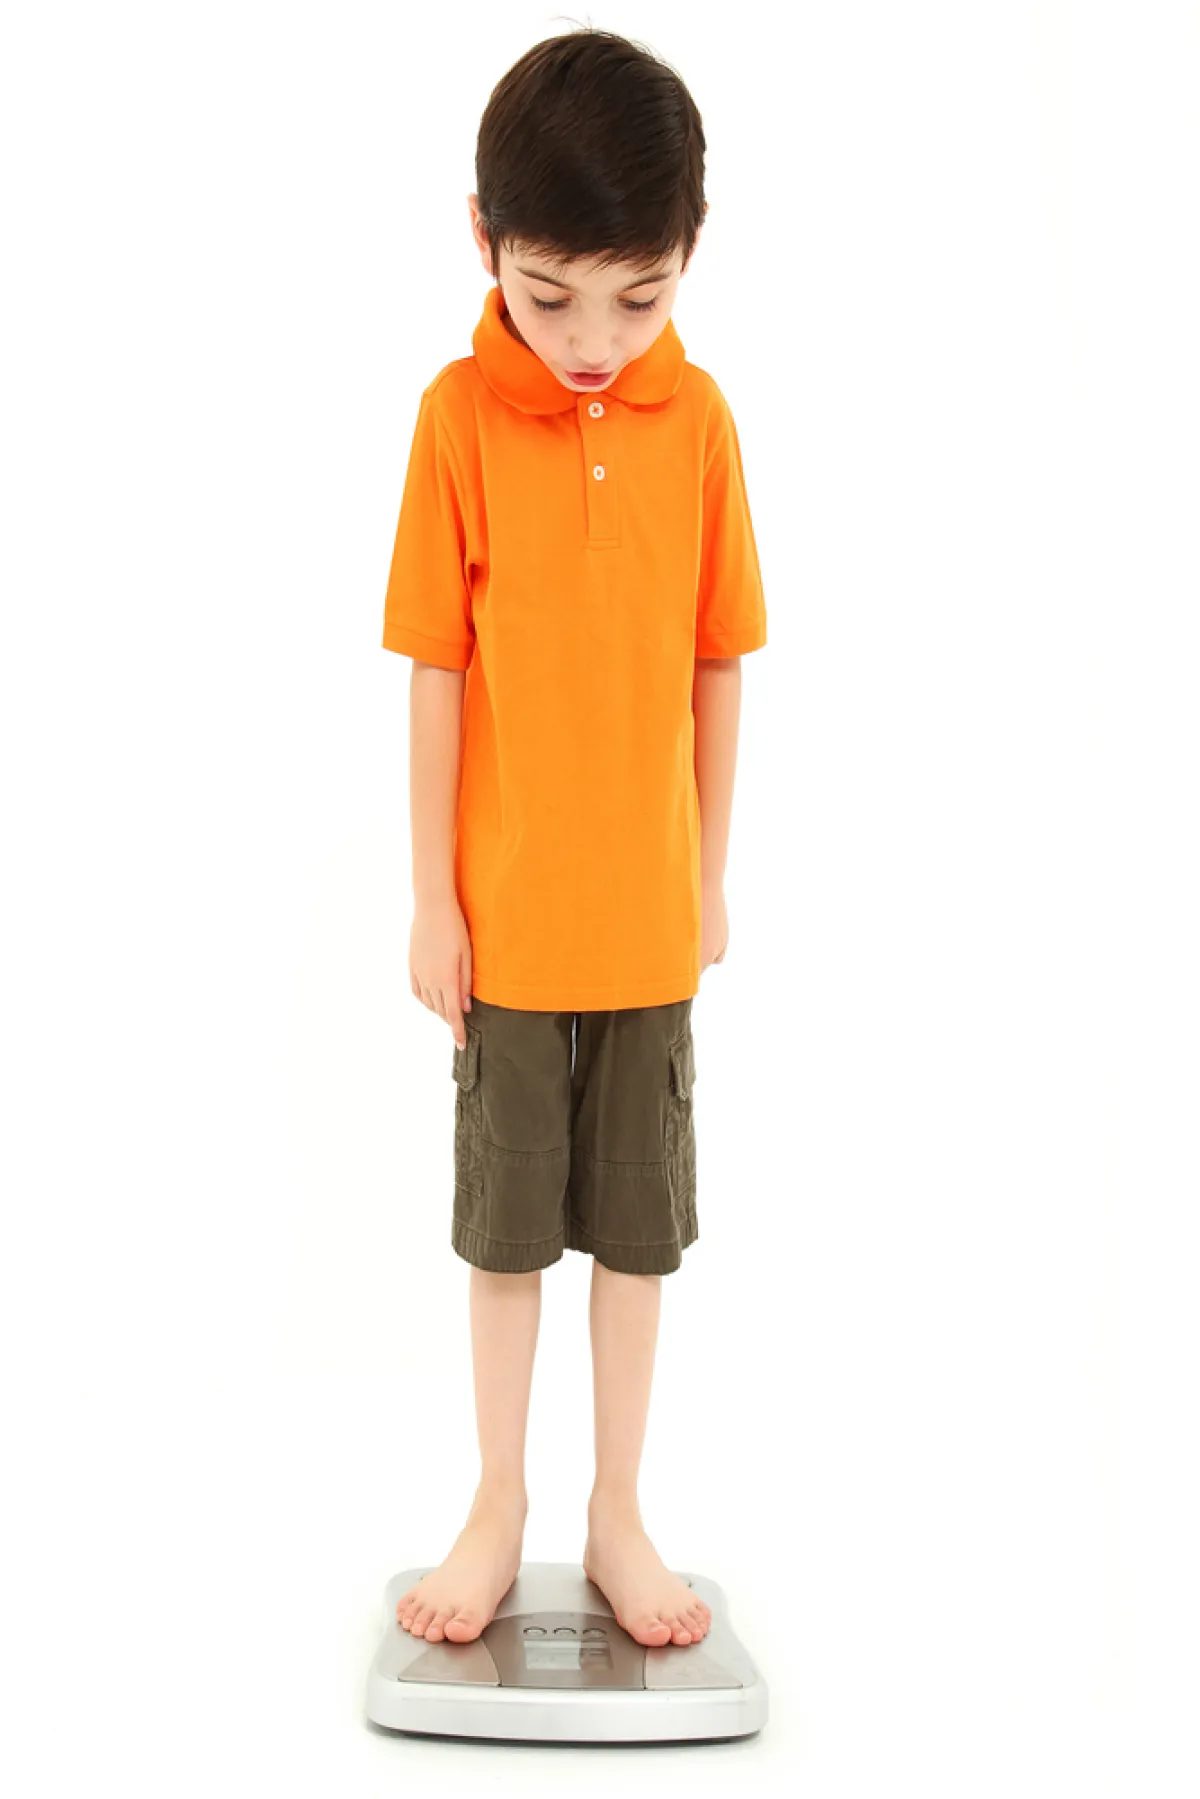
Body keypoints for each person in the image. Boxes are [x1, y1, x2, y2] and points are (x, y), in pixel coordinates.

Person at [380, 27, 767, 1654]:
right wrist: (433, 898)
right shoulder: (456, 419)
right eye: (550, 298)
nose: (596, 343)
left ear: (690, 252)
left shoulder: (703, 423)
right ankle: (498, 1497)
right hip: (513, 930)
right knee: (506, 1233)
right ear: (483, 239)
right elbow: (435, 667)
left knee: (636, 1235)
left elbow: (717, 660)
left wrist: (711, 874)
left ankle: (619, 1506)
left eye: (640, 299)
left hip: (647, 924)